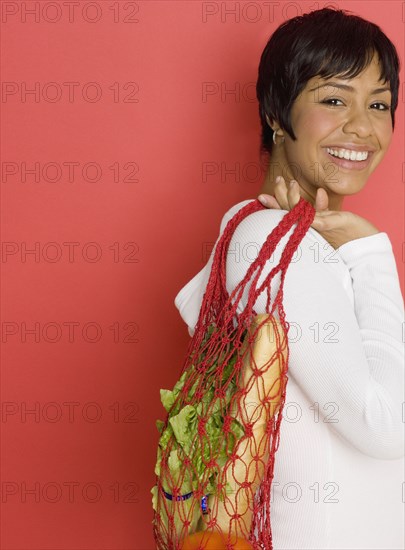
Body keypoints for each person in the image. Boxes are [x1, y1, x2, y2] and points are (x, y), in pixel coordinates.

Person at [174, 7, 404, 549]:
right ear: (278, 114)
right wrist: (373, 256)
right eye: (333, 99)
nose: (362, 126)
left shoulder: (273, 240)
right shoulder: (275, 242)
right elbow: (386, 424)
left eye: (379, 104)